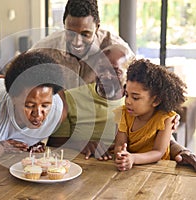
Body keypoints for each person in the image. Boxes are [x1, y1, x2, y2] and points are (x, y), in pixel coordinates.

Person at [34, 0, 194, 166]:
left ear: (97, 27)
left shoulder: (118, 51)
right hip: (73, 149)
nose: (76, 42)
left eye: (85, 34)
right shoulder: (46, 48)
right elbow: (12, 76)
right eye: (70, 33)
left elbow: (146, 92)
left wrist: (165, 113)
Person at [0, 50, 67, 152]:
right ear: (12, 97)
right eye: (29, 105)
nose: (38, 114)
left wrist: (33, 141)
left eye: (45, 105)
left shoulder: (57, 112)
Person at [114, 59, 187, 171]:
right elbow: (119, 144)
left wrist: (133, 158)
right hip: (131, 169)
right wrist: (121, 154)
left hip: (159, 170)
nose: (128, 101)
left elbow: (158, 152)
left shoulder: (165, 119)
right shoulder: (124, 113)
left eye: (135, 97)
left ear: (156, 100)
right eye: (127, 95)